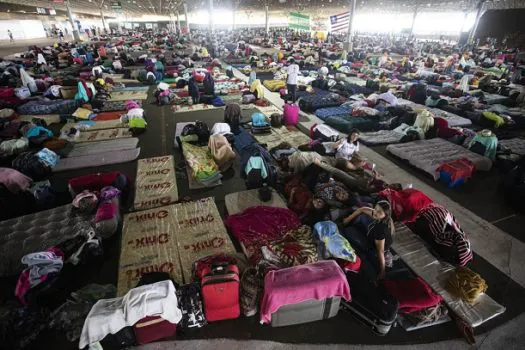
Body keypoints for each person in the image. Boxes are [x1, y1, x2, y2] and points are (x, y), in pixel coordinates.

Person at [342, 201, 394, 280]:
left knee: (349, 231)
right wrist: (347, 219)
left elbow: (380, 251)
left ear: (385, 215)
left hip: (374, 250)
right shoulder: (381, 217)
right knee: (362, 216)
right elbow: (362, 209)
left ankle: (373, 276)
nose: (375, 212)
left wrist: (382, 271)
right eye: (375, 208)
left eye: (379, 212)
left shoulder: (380, 229)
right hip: (374, 238)